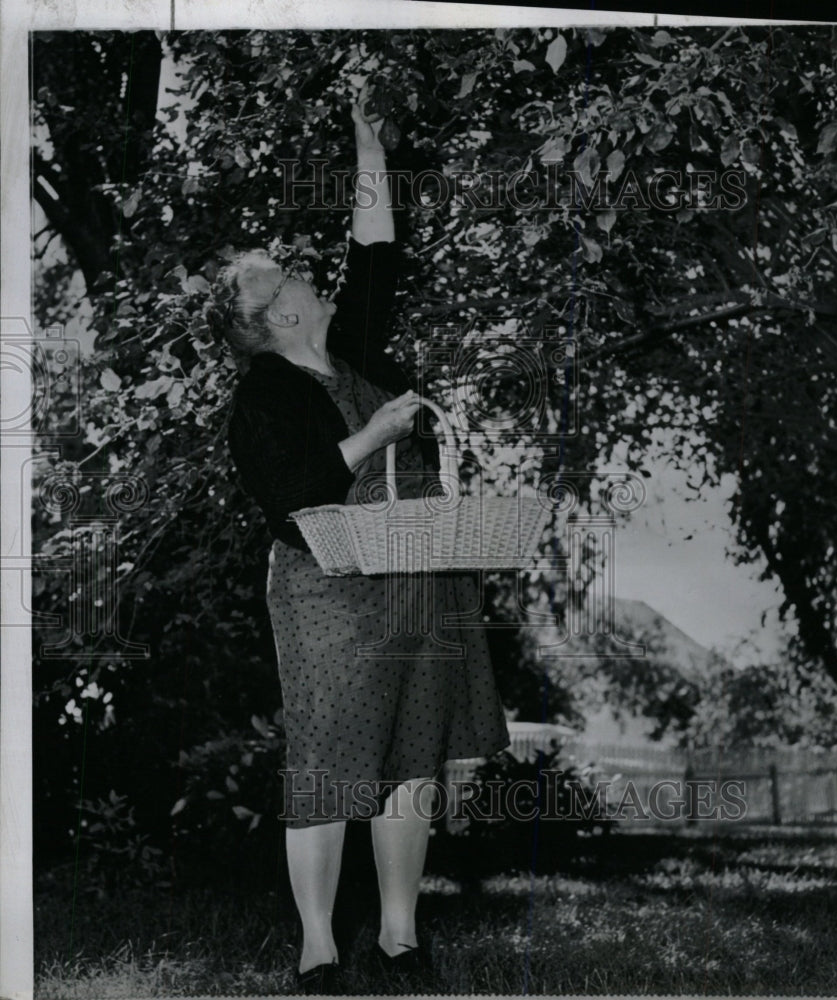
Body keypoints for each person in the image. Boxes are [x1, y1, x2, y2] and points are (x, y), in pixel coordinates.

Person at [212, 90, 509, 994]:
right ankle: (316, 947)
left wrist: (369, 152)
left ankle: (399, 937)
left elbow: (376, 254)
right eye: (290, 279)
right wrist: (376, 436)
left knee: (414, 746)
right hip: (327, 595)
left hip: (414, 575)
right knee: (330, 757)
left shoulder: (357, 357)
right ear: (278, 316)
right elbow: (298, 496)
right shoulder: (262, 397)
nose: (309, 278)